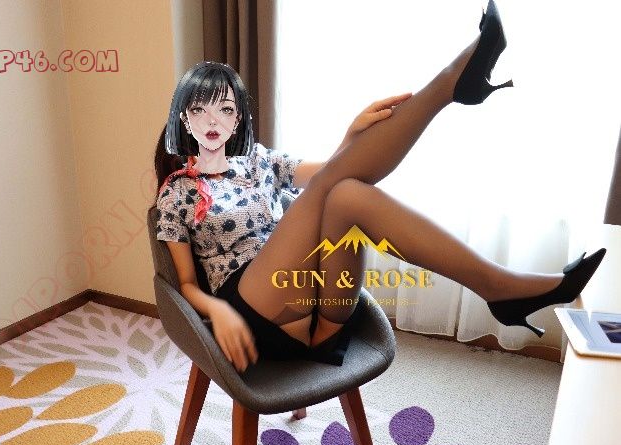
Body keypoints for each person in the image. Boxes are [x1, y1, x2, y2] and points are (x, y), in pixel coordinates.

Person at [154, 0, 606, 373]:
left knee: (346, 194)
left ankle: (497, 284)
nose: (214, 121)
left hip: (322, 311)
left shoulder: (258, 160)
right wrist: (219, 311)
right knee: (337, 188)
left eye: (226, 110)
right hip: (253, 316)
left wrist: (352, 134)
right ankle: (452, 85)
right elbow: (186, 283)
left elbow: (330, 173)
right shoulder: (177, 193)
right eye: (201, 111)